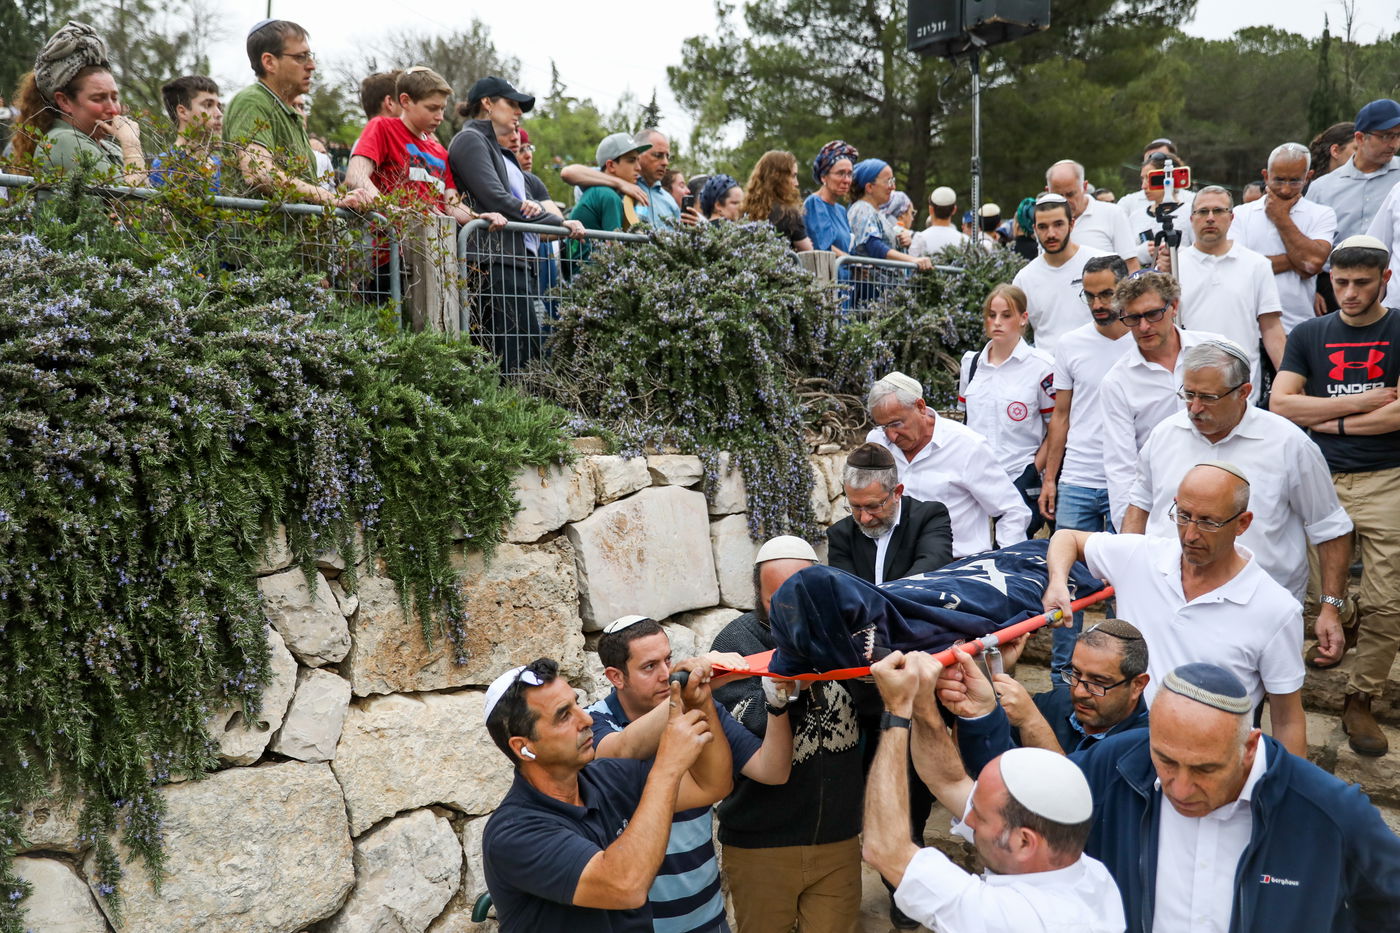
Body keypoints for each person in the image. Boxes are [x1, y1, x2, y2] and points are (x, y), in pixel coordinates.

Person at [959, 662, 1400, 933]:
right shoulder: (1115, 766)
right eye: (1166, 761)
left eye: (1206, 769)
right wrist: (971, 715)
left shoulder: (1331, 812)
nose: (1181, 789)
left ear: (1249, 746)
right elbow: (1014, 806)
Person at [1042, 462, 1308, 756]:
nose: (1190, 535)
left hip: (1202, 768)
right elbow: (1066, 538)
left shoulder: (1276, 610)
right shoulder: (1142, 556)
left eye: (1208, 521)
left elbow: (1287, 719)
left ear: (1243, 523)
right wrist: (1057, 582)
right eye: (1183, 516)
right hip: (1118, 754)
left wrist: (1288, 793)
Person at [862, 651, 1125, 933]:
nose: (967, 821)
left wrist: (897, 709)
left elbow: (885, 850)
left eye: (981, 817)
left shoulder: (1012, 918)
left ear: (1025, 841)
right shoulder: (1088, 874)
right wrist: (923, 704)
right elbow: (949, 782)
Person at [1124, 340, 1353, 651]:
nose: (1194, 408)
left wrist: (1330, 608)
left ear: (1244, 392)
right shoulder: (1165, 435)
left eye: (1207, 397)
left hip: (1256, 613)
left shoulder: (1289, 445)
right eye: (1188, 395)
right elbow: (1140, 505)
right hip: (1167, 605)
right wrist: (1128, 576)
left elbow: (1330, 528)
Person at [481, 658, 733, 932]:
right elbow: (625, 886)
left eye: (577, 704)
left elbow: (711, 785)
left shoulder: (606, 777)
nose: (586, 718)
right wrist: (667, 768)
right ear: (523, 747)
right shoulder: (513, 833)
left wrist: (700, 703)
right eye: (564, 715)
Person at [1270, 235, 1400, 754]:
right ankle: (1338, 618)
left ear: (1384, 280)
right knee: (1314, 593)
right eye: (1340, 282)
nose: (1348, 292)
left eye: (1361, 283)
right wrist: (1364, 406)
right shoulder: (1310, 334)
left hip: (1386, 477)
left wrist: (1324, 417)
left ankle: (1361, 698)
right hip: (1318, 479)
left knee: (1388, 603)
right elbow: (1281, 404)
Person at [587, 616, 795, 933]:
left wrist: (776, 703)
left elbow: (772, 771)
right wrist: (689, 691)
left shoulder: (699, 707)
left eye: (668, 660)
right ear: (616, 676)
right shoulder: (593, 725)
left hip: (709, 919)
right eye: (649, 667)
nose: (664, 674)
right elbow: (624, 749)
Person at [710, 536, 866, 933]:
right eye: (775, 597)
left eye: (803, 592)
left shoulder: (854, 637)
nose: (790, 607)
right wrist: (787, 688)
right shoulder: (736, 643)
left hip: (838, 839)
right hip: (761, 845)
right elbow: (746, 731)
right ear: (757, 595)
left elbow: (877, 710)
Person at [1039, 255, 1134, 673]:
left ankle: (1120, 675)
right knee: (1067, 586)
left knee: (1124, 588)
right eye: (1090, 295)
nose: (1097, 303)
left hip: (1126, 485)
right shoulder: (1071, 343)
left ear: (1125, 289)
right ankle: (1063, 679)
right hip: (1077, 477)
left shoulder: (1144, 340)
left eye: (1106, 293)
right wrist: (1050, 479)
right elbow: (1060, 416)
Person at [449, 75, 582, 372]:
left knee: (527, 358)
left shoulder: (495, 148)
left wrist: (557, 223)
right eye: (511, 103)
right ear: (487, 103)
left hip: (513, 263)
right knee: (506, 363)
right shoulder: (470, 139)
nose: (518, 112)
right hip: (492, 264)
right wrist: (559, 223)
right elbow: (496, 199)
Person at [1099, 271, 1220, 528]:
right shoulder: (1117, 381)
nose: (1143, 327)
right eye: (1132, 318)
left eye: (1153, 314)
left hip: (1222, 494)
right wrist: (1129, 536)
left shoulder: (1216, 351)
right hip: (1161, 509)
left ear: (1174, 306)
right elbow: (1120, 467)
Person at [864, 371, 1030, 558]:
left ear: (920, 407)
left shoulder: (967, 446)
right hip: (897, 566)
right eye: (884, 426)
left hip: (955, 567)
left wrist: (1005, 562)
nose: (891, 436)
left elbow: (1012, 511)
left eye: (896, 424)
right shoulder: (878, 442)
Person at [949, 619, 1151, 756]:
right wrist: (986, 676)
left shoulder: (1146, 745)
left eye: (1098, 682)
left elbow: (1079, 801)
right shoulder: (1054, 703)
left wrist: (1032, 722)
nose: (1079, 692)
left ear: (1137, 685)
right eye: (1076, 674)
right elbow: (976, 755)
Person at [223, 20, 367, 208]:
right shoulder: (252, 101)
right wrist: (328, 197)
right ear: (269, 62)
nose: (311, 65)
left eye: (310, 56)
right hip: (260, 236)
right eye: (301, 57)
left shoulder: (289, 112)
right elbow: (257, 172)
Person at [1161, 185, 1285, 398]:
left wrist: (1287, 379)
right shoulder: (1174, 266)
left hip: (1241, 387)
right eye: (1202, 211)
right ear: (1192, 219)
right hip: (1188, 387)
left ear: (1231, 217)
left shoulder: (1257, 265)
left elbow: (1271, 328)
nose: (1210, 218)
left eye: (1218, 211)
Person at [958, 284, 1056, 536]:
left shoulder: (1042, 367)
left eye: (1006, 315)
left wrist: (1034, 471)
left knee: (1013, 555)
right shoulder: (971, 363)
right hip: (974, 481)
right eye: (992, 315)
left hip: (1018, 478)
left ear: (1023, 318)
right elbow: (965, 419)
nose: (997, 322)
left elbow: (1055, 428)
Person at [12, 21, 147, 186]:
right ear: (65, 101)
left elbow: (155, 209)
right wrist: (131, 145)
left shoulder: (109, 148)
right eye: (98, 98)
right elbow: (132, 207)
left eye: (114, 97)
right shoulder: (63, 142)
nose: (113, 109)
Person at [1231, 143, 1336, 335]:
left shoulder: (1322, 214)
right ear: (1265, 176)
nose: (1286, 190)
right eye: (1279, 180)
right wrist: (1296, 260)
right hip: (1248, 327)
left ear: (1308, 177)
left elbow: (1312, 264)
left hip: (1299, 328)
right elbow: (1237, 269)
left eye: (1295, 181)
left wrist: (1281, 217)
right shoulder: (1240, 214)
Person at [826, 442, 952, 585]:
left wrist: (884, 602)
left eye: (873, 506)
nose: (865, 518)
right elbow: (846, 591)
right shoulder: (840, 534)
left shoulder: (930, 518)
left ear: (897, 492)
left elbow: (928, 573)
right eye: (855, 506)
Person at [1010, 193, 1109, 355]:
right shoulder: (1024, 278)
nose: (1051, 234)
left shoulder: (1103, 262)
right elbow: (1013, 332)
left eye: (1058, 224)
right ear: (1034, 229)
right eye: (1043, 227)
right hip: (1049, 373)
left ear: (1072, 224)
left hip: (1098, 366)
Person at [1305, 98, 1400, 241]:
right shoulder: (1321, 190)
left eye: (1398, 136)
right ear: (1360, 138)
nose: (1394, 144)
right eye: (1386, 136)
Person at [564, 132, 650, 267]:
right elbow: (614, 249)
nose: (638, 168)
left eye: (638, 160)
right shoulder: (607, 195)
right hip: (588, 279)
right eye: (631, 160)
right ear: (610, 166)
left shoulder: (603, 192)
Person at [1045, 159, 1138, 270]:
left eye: (1070, 194)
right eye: (1059, 196)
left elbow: (1131, 265)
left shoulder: (1113, 214)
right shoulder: (1043, 222)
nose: (1065, 201)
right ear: (1047, 191)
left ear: (1084, 187)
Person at [846, 159, 931, 269]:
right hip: (871, 284)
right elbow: (874, 246)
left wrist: (903, 241)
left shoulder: (876, 212)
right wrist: (913, 260)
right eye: (888, 181)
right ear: (869, 187)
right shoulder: (862, 209)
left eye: (893, 181)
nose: (893, 187)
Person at [1122, 151, 1196, 269]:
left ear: (1168, 178)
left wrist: (1175, 253)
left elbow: (1200, 252)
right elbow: (1123, 256)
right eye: (1142, 179)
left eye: (1149, 179)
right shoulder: (1136, 217)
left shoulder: (1190, 213)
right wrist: (1141, 253)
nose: (1143, 186)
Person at [150, 75, 223, 191]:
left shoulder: (219, 163)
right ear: (183, 112)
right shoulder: (165, 165)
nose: (219, 113)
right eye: (208, 105)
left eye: (219, 106)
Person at [741, 149, 813, 250]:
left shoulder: (744, 210)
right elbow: (808, 250)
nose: (796, 183)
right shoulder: (789, 212)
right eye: (793, 176)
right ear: (778, 177)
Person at [803, 139, 857, 254]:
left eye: (849, 174)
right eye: (840, 173)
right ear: (823, 176)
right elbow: (824, 246)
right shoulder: (814, 203)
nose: (847, 180)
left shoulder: (841, 210)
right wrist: (852, 263)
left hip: (844, 272)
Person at [910, 186, 970, 258]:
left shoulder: (920, 238)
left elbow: (911, 265)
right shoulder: (965, 241)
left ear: (931, 210)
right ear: (954, 210)